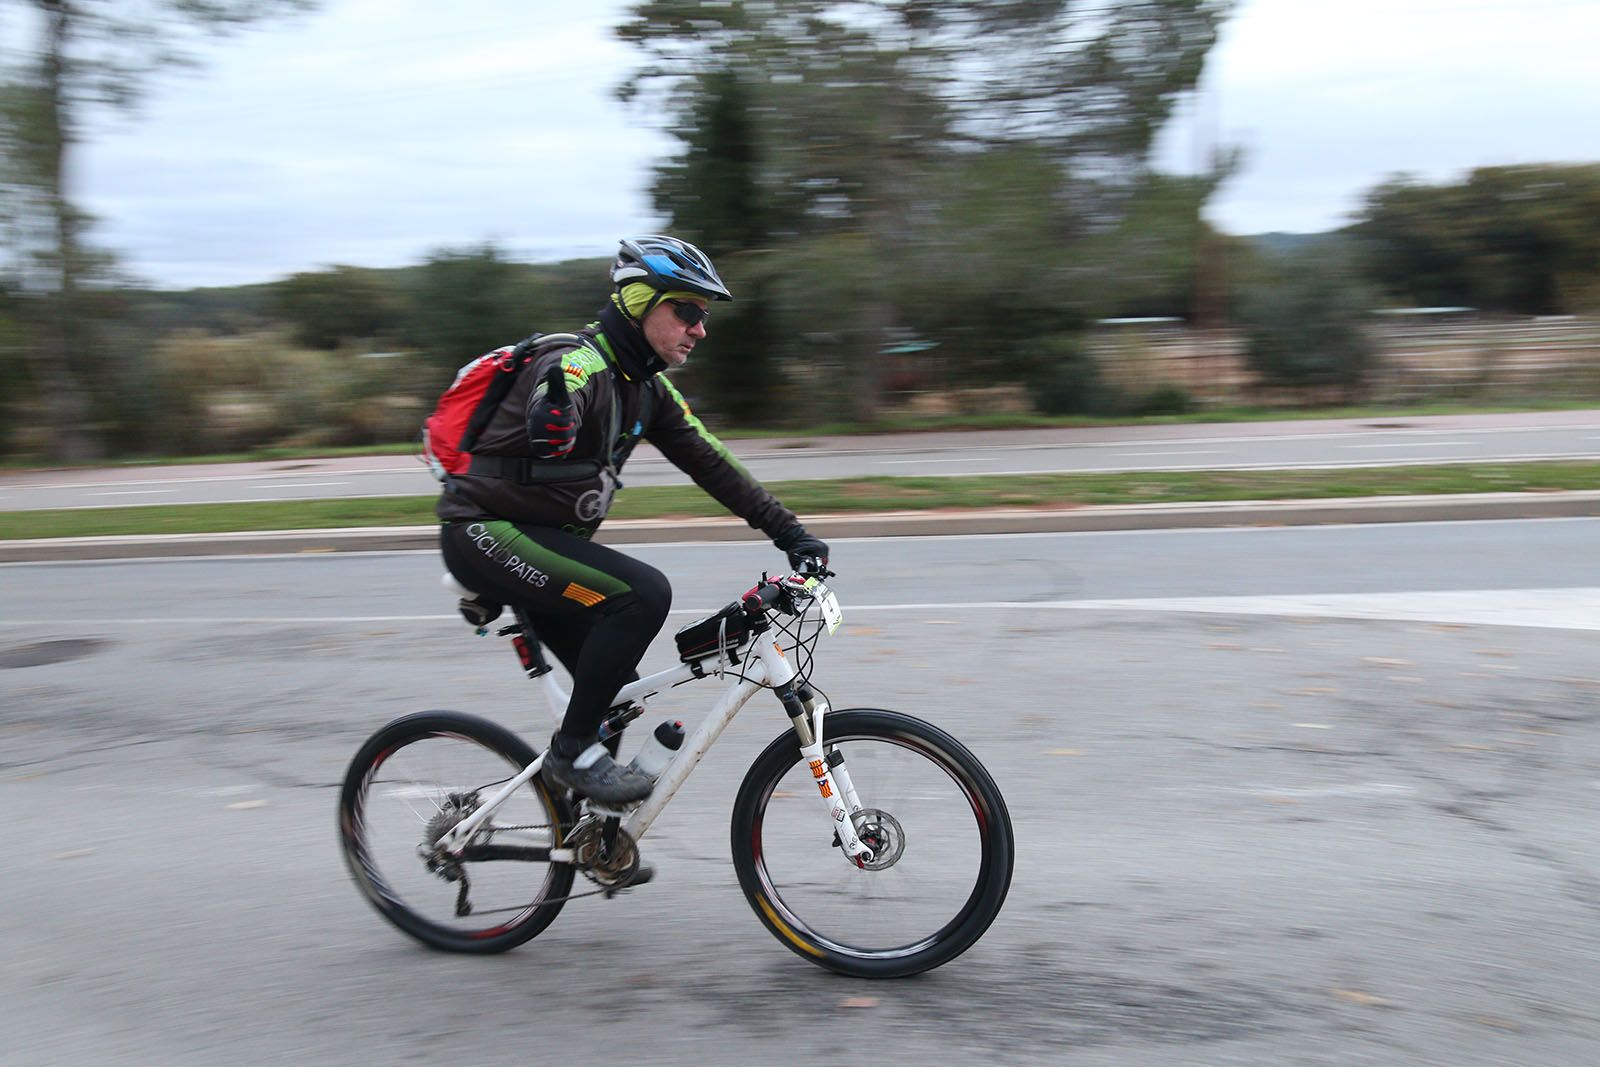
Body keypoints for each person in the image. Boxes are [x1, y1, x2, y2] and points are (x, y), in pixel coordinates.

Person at [437, 235, 830, 808]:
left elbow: (713, 464)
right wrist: (555, 417)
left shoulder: (647, 391)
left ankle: (582, 834)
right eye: (689, 311)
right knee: (642, 595)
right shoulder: (579, 361)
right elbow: (561, 387)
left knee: (611, 692)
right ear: (640, 302)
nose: (701, 329)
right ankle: (573, 752)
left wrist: (790, 533)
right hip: (484, 534)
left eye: (703, 316)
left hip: (541, 546)